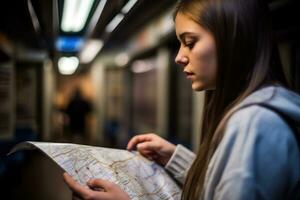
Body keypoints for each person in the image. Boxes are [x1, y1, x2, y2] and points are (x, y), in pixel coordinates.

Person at [63, 0, 300, 199]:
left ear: (232, 40)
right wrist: (178, 159)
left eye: (190, 43)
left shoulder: (254, 123)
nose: (179, 57)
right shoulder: (256, 116)